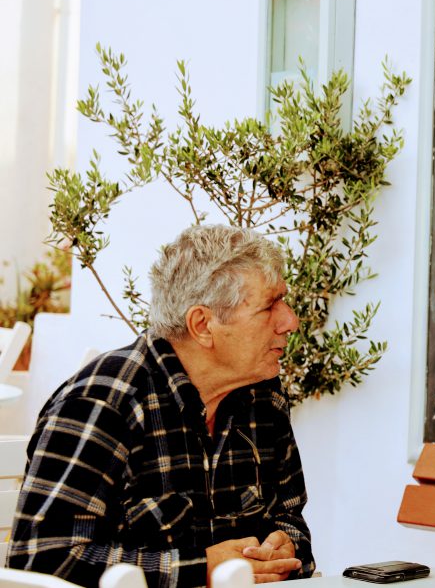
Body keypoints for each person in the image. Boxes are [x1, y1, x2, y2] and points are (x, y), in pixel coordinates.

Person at [8, 224, 315, 587]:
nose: (290, 320)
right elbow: (42, 560)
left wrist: (285, 548)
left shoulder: (263, 397)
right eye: (269, 306)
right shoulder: (101, 402)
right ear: (202, 325)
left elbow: (289, 520)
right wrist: (200, 568)